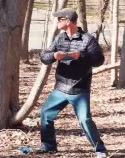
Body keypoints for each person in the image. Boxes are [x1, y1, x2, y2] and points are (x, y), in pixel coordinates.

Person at [35, 8, 107, 158]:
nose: (57, 22)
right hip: (60, 88)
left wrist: (81, 55)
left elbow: (99, 60)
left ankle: (100, 149)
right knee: (46, 114)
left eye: (59, 19)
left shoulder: (88, 39)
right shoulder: (59, 38)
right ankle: (48, 145)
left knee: (84, 120)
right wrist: (55, 55)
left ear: (68, 21)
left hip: (79, 89)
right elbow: (44, 57)